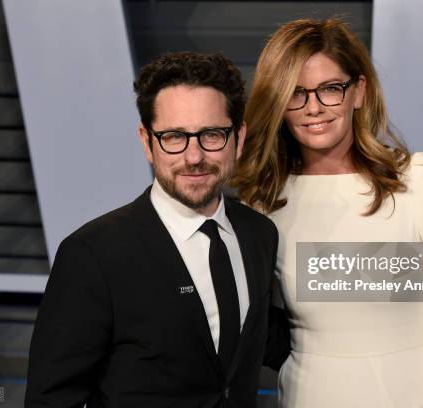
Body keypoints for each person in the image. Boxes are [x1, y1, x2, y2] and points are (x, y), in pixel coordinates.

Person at [233, 18, 423, 407]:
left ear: (359, 92)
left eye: (331, 89)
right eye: (296, 93)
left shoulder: (420, 179)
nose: (314, 108)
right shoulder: (264, 200)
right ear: (279, 104)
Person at [25, 52, 288, 408]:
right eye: (174, 136)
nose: (194, 156)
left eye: (212, 134)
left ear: (238, 138)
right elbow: (51, 400)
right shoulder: (93, 254)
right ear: (147, 142)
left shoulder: (259, 234)